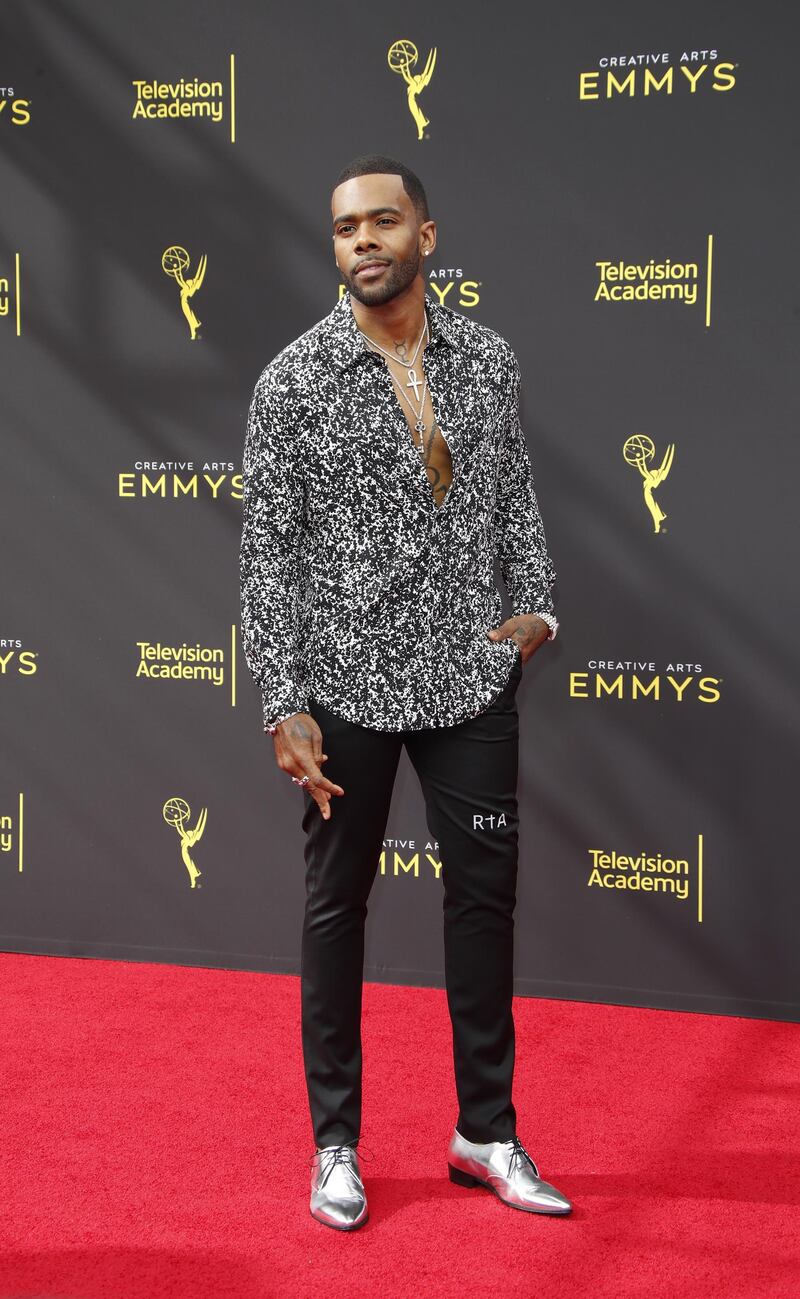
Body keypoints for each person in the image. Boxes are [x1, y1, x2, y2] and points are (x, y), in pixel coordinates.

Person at [240, 154, 572, 1230]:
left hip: (470, 681)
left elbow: (512, 493)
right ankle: (335, 1143)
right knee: (336, 911)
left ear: (425, 237)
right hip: (342, 689)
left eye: (383, 223)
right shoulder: (293, 380)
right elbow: (267, 554)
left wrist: (534, 610)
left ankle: (486, 1132)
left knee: (483, 908)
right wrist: (282, 698)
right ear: (335, 248)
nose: (363, 243)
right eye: (345, 230)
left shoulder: (487, 360)